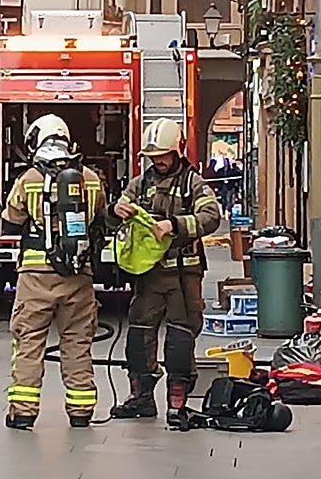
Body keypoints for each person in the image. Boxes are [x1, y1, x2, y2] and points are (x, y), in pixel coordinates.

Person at [108, 118, 222, 425]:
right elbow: (117, 211)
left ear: (177, 152)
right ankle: (141, 398)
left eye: (163, 156)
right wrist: (115, 211)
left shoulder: (192, 182)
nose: (158, 162)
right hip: (148, 276)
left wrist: (174, 225)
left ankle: (177, 401)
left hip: (184, 276)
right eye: (153, 157)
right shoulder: (140, 183)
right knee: (139, 334)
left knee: (180, 338)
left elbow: (211, 216)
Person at [1, 115, 107, 430]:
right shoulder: (89, 177)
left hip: (36, 275)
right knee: (77, 341)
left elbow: (11, 220)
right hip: (78, 274)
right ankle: (81, 410)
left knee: (29, 340)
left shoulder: (29, 179)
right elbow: (100, 216)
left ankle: (23, 412)